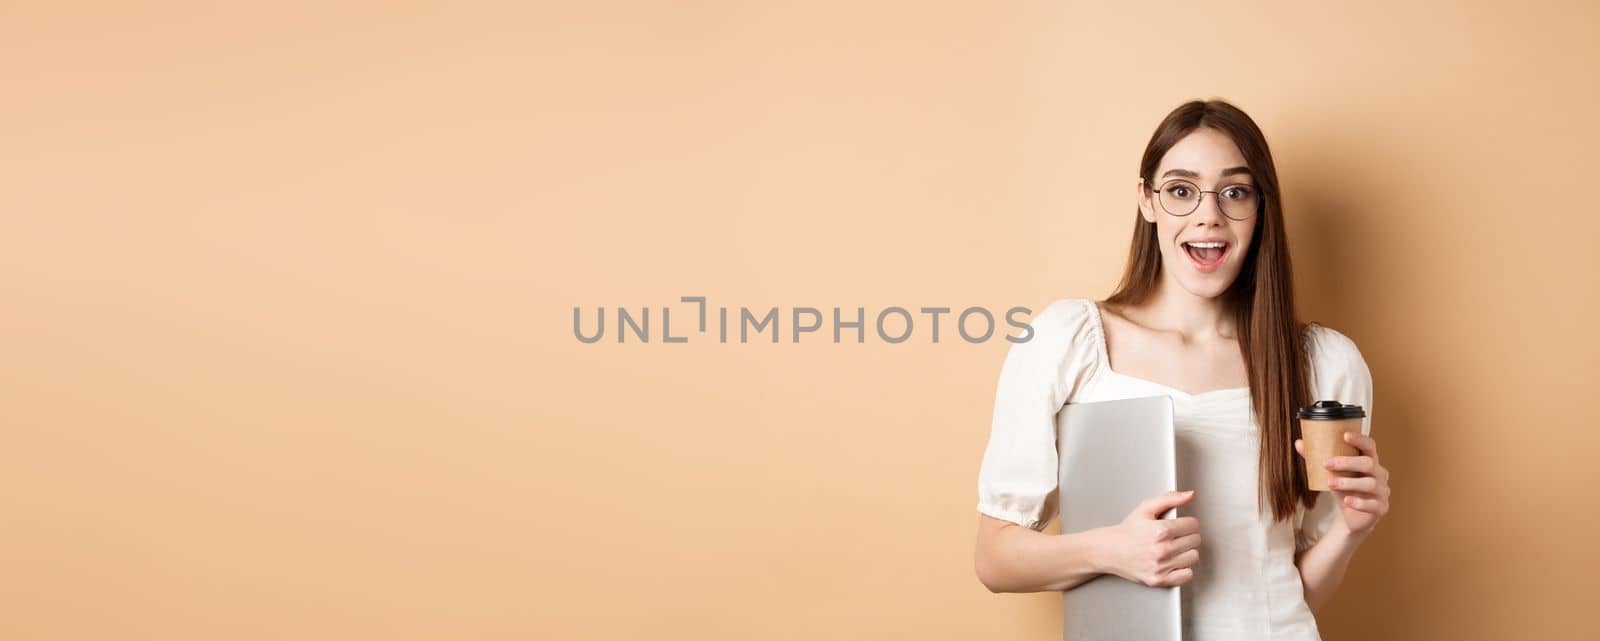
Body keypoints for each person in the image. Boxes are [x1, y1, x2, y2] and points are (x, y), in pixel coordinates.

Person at [972, 99, 1393, 640]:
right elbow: (994, 559)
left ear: (1261, 208)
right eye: (1180, 190)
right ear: (1147, 201)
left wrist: (1352, 531)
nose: (1208, 215)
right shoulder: (1065, 340)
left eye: (1235, 192)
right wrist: (1112, 550)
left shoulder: (1324, 364)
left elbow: (1296, 592)